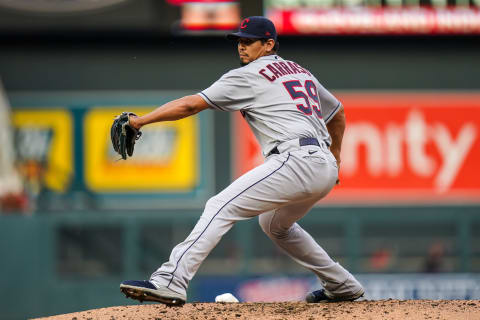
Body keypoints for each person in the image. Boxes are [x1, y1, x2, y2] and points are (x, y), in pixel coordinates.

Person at [120, 16, 364, 305]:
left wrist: (140, 121)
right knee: (274, 225)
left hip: (296, 159)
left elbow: (190, 104)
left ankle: (170, 280)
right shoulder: (301, 72)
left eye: (249, 41)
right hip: (320, 163)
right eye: (239, 41)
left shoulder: (250, 74)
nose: (241, 47)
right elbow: (337, 113)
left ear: (269, 44)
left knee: (219, 206)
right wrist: (335, 158)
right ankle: (342, 284)